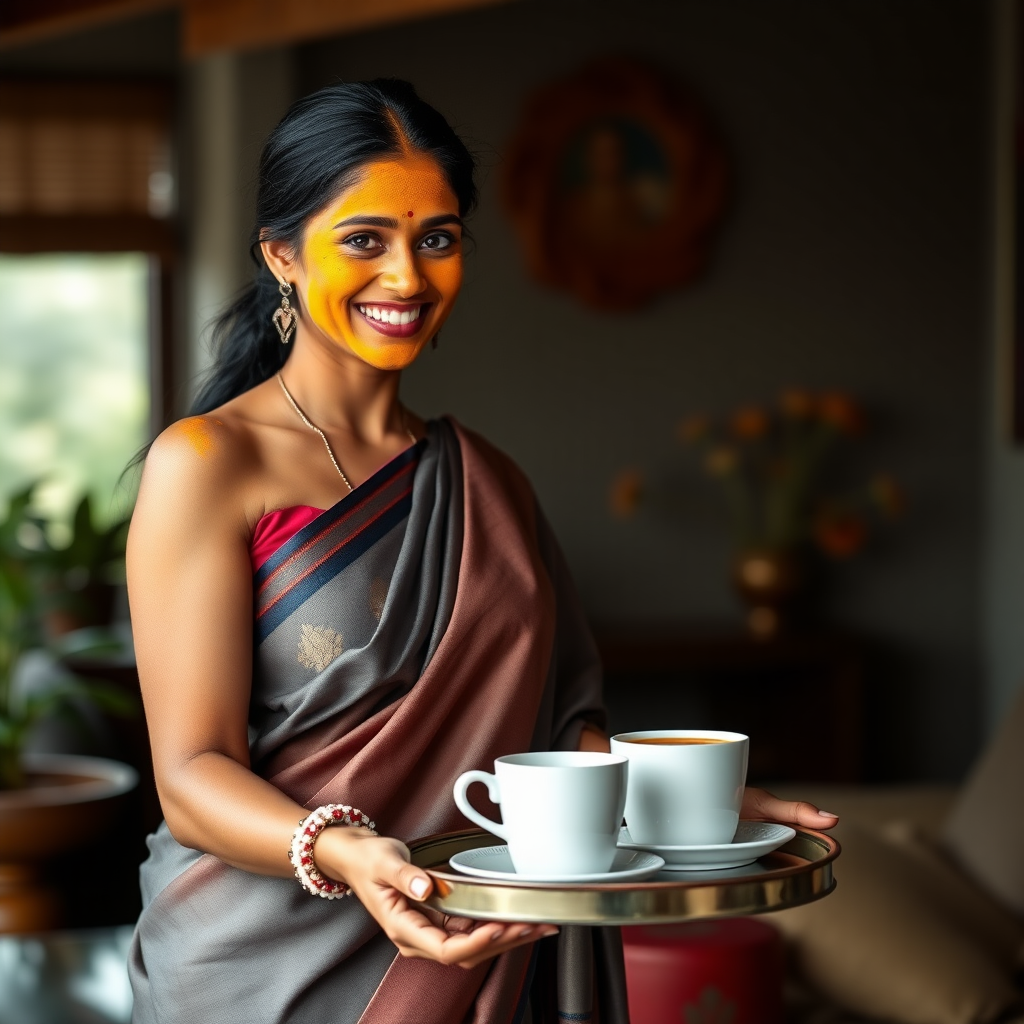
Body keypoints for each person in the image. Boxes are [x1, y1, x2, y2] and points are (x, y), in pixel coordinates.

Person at [126, 79, 837, 1024]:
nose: (409, 277)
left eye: (438, 238)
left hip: (470, 946)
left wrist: (696, 807)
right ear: (281, 256)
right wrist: (348, 853)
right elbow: (191, 775)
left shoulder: (487, 482)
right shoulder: (210, 462)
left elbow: (541, 743)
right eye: (365, 239)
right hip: (254, 966)